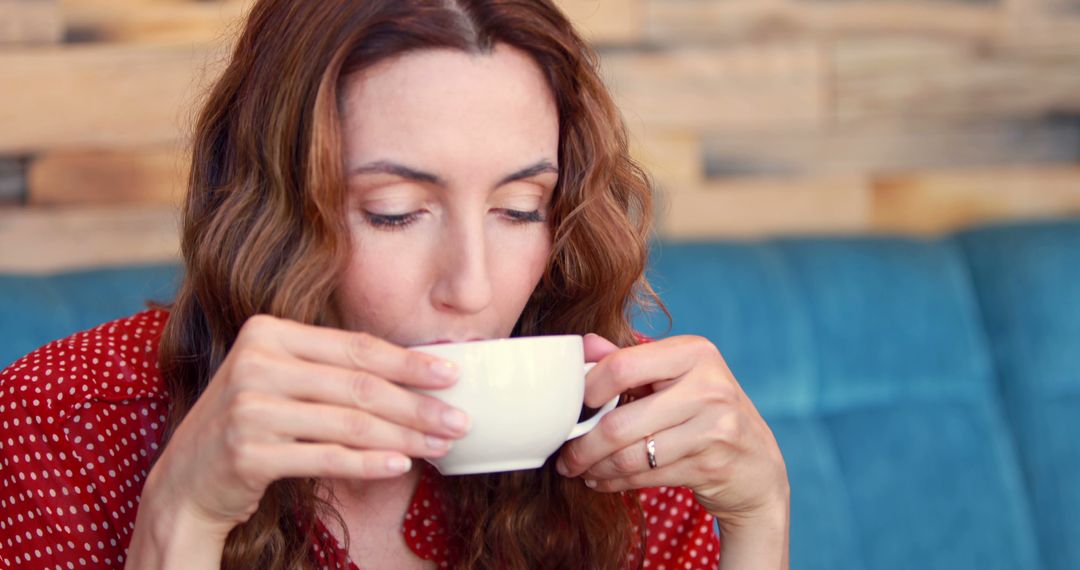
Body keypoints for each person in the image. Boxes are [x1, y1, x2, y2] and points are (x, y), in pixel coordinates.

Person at [0, 0, 790, 568]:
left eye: (520, 209)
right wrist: (183, 520)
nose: (473, 289)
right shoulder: (59, 430)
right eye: (395, 213)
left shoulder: (624, 425)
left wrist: (758, 522)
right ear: (271, 213)